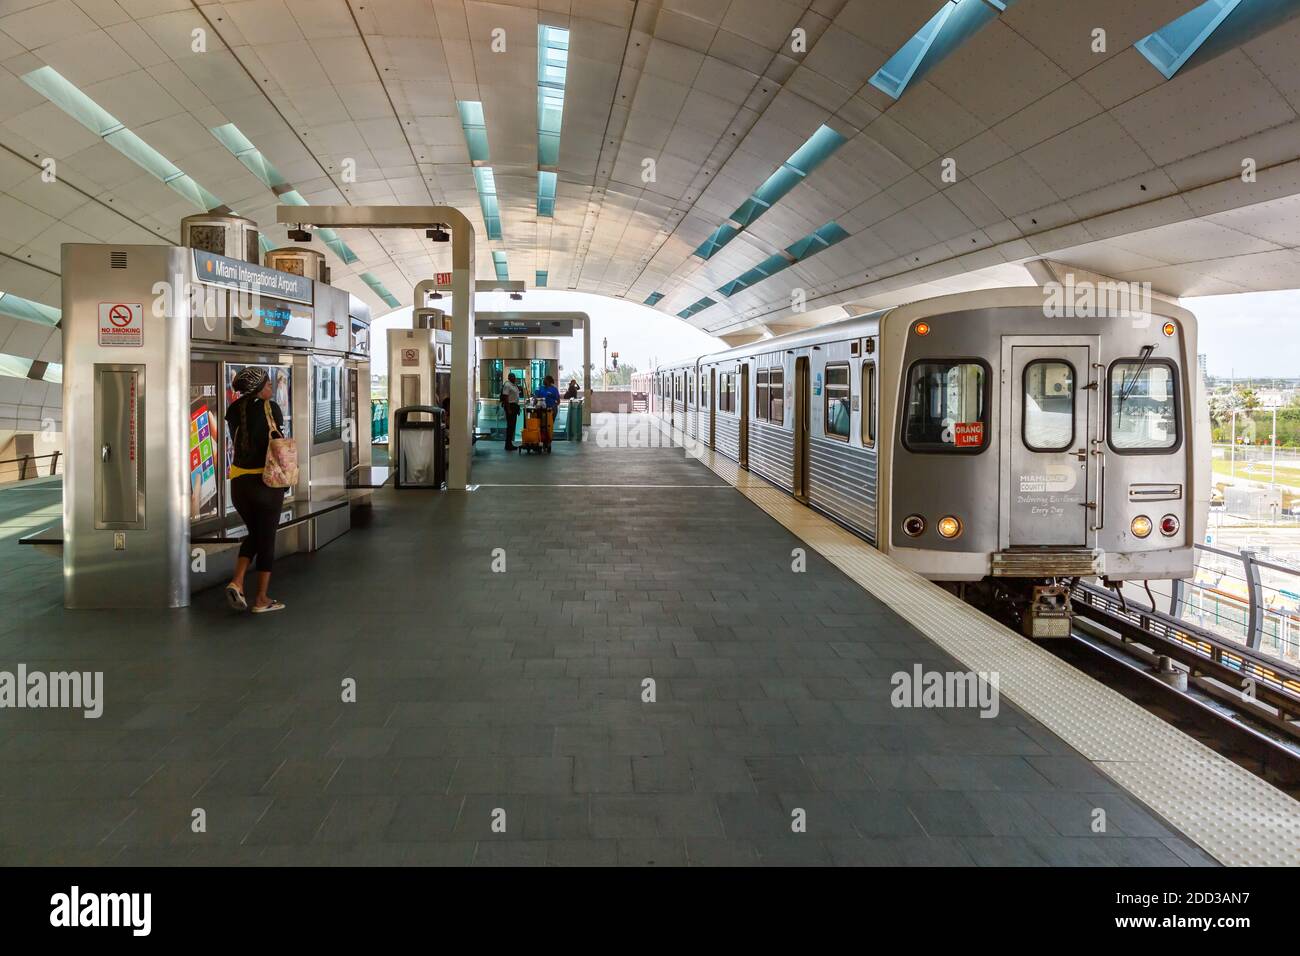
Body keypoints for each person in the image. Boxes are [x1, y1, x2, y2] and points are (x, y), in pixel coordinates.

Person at [223, 366, 288, 614]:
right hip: (267, 482)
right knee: (267, 536)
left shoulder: (233, 410)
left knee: (255, 532)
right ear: (258, 389)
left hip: (239, 485)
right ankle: (261, 598)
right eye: (268, 384)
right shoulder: (271, 409)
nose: (271, 387)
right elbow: (277, 441)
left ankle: (237, 582)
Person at [537, 374, 561, 451]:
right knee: (542, 426)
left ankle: (548, 442)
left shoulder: (554, 389)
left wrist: (553, 407)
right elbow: (536, 397)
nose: (544, 381)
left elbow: (558, 401)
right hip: (542, 410)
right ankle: (542, 442)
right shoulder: (541, 388)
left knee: (549, 426)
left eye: (545, 380)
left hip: (551, 411)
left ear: (549, 381)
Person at [501, 373, 521, 451]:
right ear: (509, 377)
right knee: (510, 426)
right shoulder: (507, 385)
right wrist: (508, 409)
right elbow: (506, 397)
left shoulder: (514, 385)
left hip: (514, 406)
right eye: (512, 377)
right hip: (510, 406)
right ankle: (507, 445)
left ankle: (510, 443)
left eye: (514, 377)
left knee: (512, 426)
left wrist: (517, 408)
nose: (514, 378)